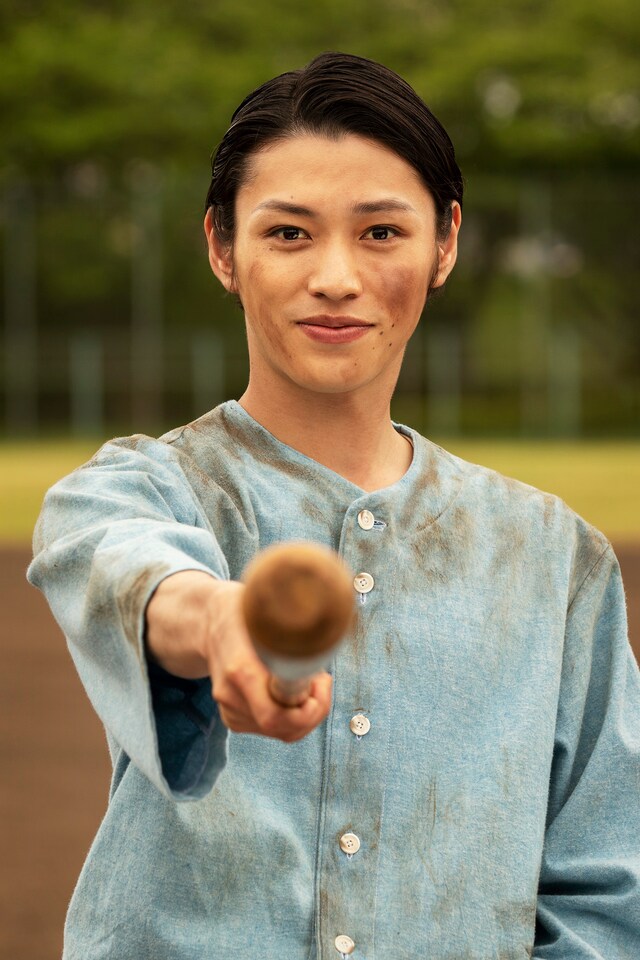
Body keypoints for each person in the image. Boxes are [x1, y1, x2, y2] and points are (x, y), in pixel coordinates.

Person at [28, 52, 640, 959]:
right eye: (288, 233)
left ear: (447, 243)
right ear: (221, 248)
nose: (337, 276)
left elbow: (608, 892)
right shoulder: (141, 487)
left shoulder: (556, 557)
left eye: (382, 231)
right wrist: (222, 621)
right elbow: (123, 562)